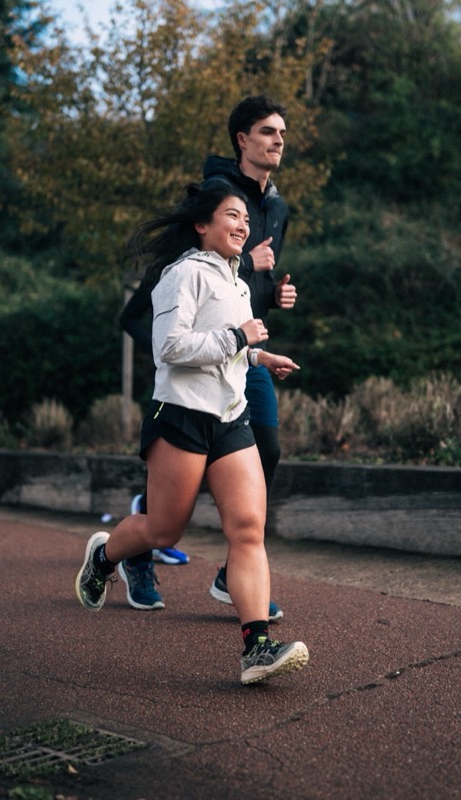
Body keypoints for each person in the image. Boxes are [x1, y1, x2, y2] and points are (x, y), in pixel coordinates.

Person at [75, 183, 309, 685]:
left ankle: (257, 649)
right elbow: (170, 347)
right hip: (180, 416)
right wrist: (239, 337)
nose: (244, 225)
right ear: (202, 225)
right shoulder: (181, 275)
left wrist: (260, 355)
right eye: (232, 215)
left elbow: (230, 348)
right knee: (163, 531)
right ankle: (104, 556)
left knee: (248, 528)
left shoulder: (240, 282)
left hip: (230, 417)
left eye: (247, 218)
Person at [118, 95, 296, 619]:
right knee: (175, 500)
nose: (278, 141)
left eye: (282, 133)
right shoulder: (215, 195)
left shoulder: (278, 207)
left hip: (244, 354)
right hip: (189, 351)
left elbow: (243, 290)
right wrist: (250, 269)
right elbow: (188, 280)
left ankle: (234, 574)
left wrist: (274, 289)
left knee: (267, 448)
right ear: (242, 140)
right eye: (267, 131)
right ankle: (139, 548)